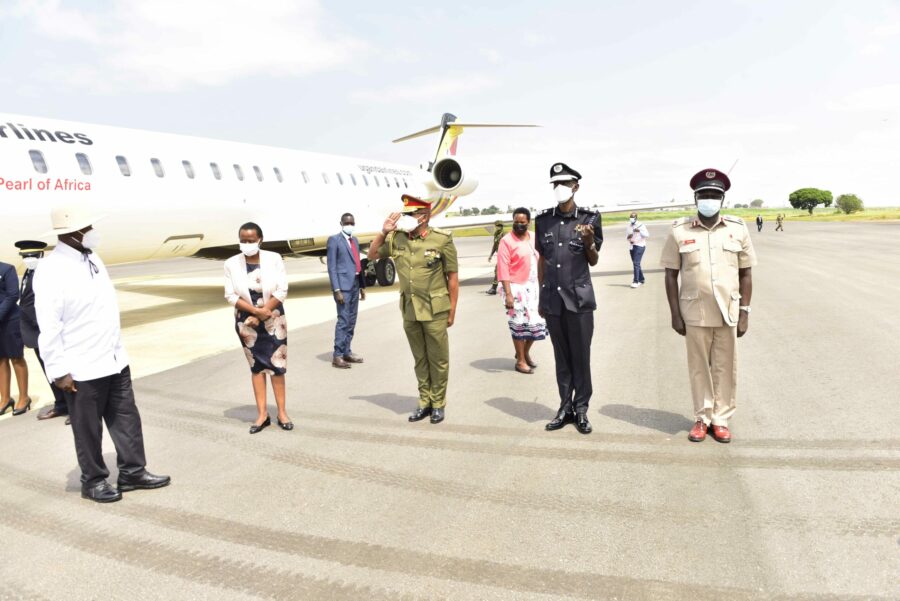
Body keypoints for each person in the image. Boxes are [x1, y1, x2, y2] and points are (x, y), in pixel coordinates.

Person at [33, 204, 170, 503]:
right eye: (88, 228)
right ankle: (93, 481)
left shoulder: (93, 257)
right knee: (88, 429)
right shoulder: (50, 269)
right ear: (73, 233)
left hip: (113, 358)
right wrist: (58, 371)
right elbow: (49, 325)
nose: (94, 233)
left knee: (127, 419)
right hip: (80, 366)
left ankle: (133, 471)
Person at [660, 169, 756, 444]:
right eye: (704, 195)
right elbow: (670, 274)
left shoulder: (737, 229)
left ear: (722, 199)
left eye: (714, 195)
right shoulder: (679, 231)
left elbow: (746, 273)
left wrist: (745, 312)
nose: (709, 199)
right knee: (699, 367)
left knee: (726, 367)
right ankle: (702, 418)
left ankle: (721, 419)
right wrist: (675, 314)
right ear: (696, 198)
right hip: (694, 312)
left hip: (729, 311)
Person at [368, 194, 458, 424]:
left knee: (438, 358)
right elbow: (372, 254)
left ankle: (438, 403)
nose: (406, 218)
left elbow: (452, 277)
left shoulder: (441, 239)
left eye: (411, 214)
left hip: (435, 309)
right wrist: (383, 232)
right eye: (405, 214)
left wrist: (452, 310)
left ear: (425, 216)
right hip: (410, 309)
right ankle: (424, 401)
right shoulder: (397, 238)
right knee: (419, 358)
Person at [536, 163, 603, 435]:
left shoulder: (589, 219)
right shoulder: (543, 221)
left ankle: (582, 409)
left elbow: (594, 260)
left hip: (579, 300)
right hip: (552, 300)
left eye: (564, 183)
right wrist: (541, 295)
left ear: (576, 186)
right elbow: (543, 258)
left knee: (581, 356)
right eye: (555, 183)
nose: (559, 188)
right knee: (561, 357)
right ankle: (565, 407)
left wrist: (588, 242)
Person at [224, 222, 292, 434]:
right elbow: (230, 295)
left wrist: (263, 313)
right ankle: (262, 414)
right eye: (243, 240)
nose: (247, 244)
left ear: (260, 240)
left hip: (273, 317)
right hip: (246, 320)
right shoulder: (231, 263)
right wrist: (254, 313)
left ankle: (282, 412)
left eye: (251, 240)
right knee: (256, 367)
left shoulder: (274, 258)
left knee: (277, 366)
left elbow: (282, 289)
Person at [15, 241, 69, 423]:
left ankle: (75, 409)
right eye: (24, 257)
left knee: (62, 370)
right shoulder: (30, 273)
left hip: (45, 329)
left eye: (31, 256)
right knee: (49, 371)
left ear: (40, 255)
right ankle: (62, 404)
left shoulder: (46, 275)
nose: (28, 260)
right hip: (35, 333)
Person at [497, 207, 547, 374]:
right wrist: (508, 294)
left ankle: (524, 352)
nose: (519, 225)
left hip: (534, 287)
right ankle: (520, 361)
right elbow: (503, 268)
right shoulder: (506, 241)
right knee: (519, 324)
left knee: (536, 323)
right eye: (516, 222)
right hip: (515, 287)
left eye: (522, 223)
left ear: (528, 223)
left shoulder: (534, 237)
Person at [326, 213, 366, 369]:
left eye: (352, 222)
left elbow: (357, 264)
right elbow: (332, 267)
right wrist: (336, 289)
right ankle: (338, 355)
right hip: (343, 287)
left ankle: (347, 351)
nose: (349, 225)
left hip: (355, 284)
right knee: (343, 320)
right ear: (341, 223)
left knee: (352, 320)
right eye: (347, 222)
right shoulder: (334, 240)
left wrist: (362, 286)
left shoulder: (354, 240)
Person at [0, 259, 30, 416]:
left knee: (16, 358)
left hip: (10, 321)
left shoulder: (6, 269)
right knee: (0, 360)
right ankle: (5, 399)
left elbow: (13, 295)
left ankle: (24, 398)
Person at [625, 212, 650, 288]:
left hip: (640, 246)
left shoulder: (641, 225)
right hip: (632, 246)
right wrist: (629, 238)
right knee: (637, 263)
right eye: (630, 217)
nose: (631, 218)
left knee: (636, 263)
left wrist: (640, 231)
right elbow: (626, 236)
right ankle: (641, 279)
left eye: (633, 217)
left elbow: (647, 235)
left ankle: (636, 281)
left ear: (636, 218)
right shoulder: (629, 225)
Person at [485, 220, 504, 295]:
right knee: (498, 271)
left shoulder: (504, 234)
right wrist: (491, 255)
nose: (499, 227)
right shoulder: (496, 234)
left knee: (498, 270)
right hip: (499, 255)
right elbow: (495, 245)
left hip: (504, 255)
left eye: (500, 226)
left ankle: (494, 288)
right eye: (498, 225)